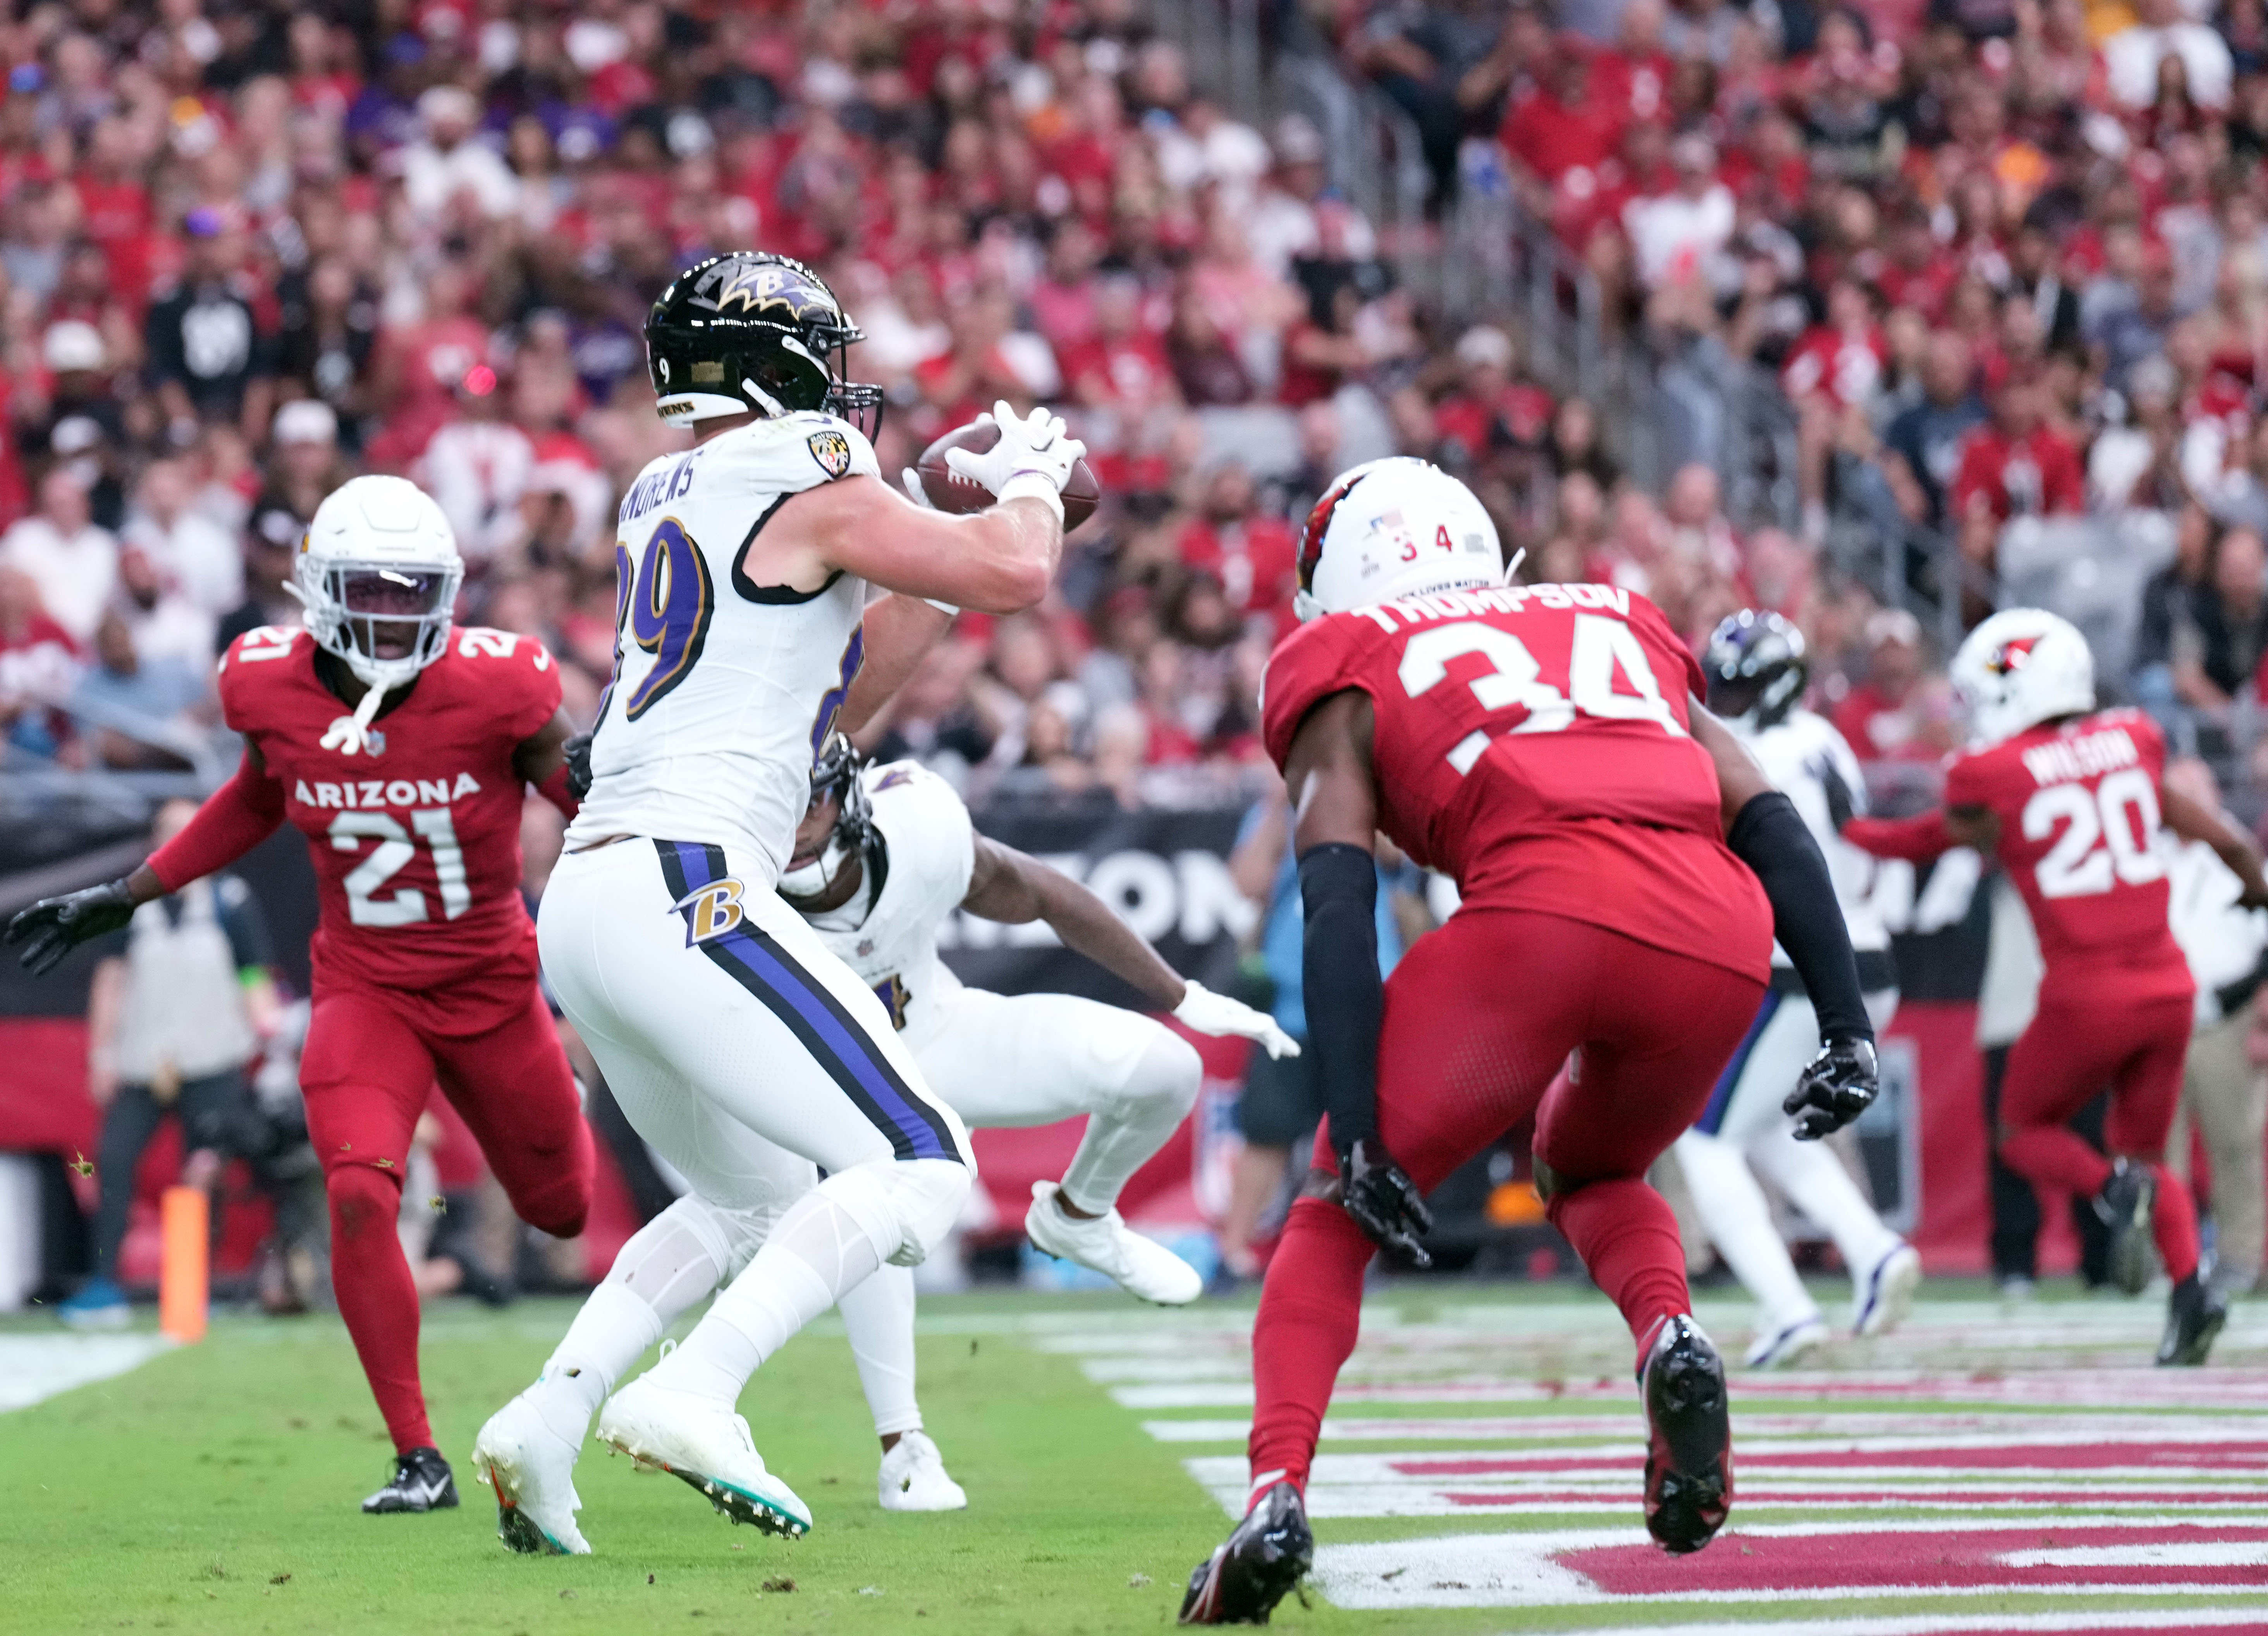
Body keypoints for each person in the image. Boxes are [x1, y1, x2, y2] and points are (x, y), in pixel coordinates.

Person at [1179, 457, 1882, 1621]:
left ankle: (1277, 1491)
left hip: (1534, 923)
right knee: (1592, 1166)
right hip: (1715, 931)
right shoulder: (1609, 612)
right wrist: (1844, 1017)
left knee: (1330, 1213)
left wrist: (1356, 1128)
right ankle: (1668, 1332)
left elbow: (1340, 899)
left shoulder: (1343, 655)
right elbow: (1763, 809)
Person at [474, 251, 1084, 1555]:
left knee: (744, 1201)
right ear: (777, 366)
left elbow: (834, 670)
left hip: (594, 890)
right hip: (687, 877)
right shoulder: (800, 461)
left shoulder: (664, 488)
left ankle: (546, 1414)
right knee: (925, 1160)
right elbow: (1016, 572)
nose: (841, 385)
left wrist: (925, 530)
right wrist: (1033, 480)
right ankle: (695, 1389)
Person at [477, 740, 1295, 1546]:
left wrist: (1180, 993)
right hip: (755, 1015)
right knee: (884, 1165)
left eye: (810, 798)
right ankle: (862, 1432)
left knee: (1160, 1071)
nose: (793, 820)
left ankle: (551, 1413)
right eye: (777, 796)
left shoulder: (914, 827)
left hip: (912, 1024)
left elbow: (1034, 887)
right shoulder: (724, 855)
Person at [8, 475, 592, 1514]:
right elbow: (256, 795)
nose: (398, 612)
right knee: (360, 1194)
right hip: (366, 988)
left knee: (562, 1209)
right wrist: (128, 893)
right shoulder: (266, 682)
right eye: (376, 589)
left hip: (496, 985)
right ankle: (418, 1456)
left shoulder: (504, 684)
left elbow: (578, 794)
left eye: (419, 592)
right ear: (322, 590)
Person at [1843, 609, 2268, 1365]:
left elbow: (1921, 840)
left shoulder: (1993, 776)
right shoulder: (2136, 741)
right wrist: (2253, 890)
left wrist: (1839, 828)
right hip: (2171, 988)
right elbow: (2224, 836)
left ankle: (2111, 1191)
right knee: (2147, 1158)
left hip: (2088, 993)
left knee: (2024, 1132)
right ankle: (2190, 1288)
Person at [1672, 612, 1920, 1368]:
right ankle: (1873, 1250)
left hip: (1800, 968)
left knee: (1704, 1139)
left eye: (1742, 682)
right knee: (1775, 1128)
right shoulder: (1826, 741)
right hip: (1870, 956)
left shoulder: (1762, 754)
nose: (1731, 697)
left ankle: (1787, 1308)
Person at [58, 798, 280, 1326]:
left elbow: (254, 976)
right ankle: (104, 1284)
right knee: (111, 1163)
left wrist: (268, 1029)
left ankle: (189, 1288)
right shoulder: (131, 903)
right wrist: (101, 1054)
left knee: (201, 1172)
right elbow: (110, 981)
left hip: (212, 1060)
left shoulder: (230, 900)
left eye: (191, 832)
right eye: (170, 833)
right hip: (143, 1060)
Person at [2161, 755, 2268, 1299]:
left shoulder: (2238, 850)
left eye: (2190, 794)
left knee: (2236, 1144)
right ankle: (2176, 1262)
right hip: (2161, 1021)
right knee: (2161, 1150)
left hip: (2229, 1015)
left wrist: (2264, 1018)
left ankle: (2243, 1256)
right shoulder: (2149, 855)